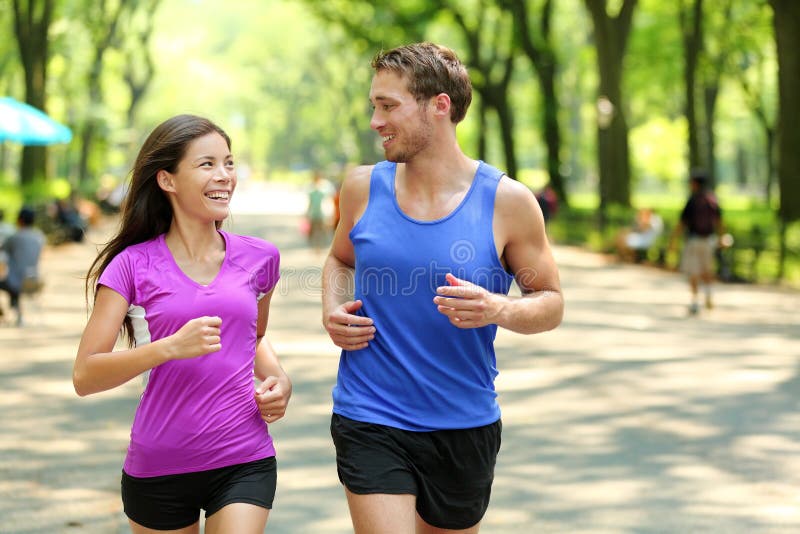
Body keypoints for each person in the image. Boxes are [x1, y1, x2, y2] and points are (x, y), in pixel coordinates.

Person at [322, 43, 564, 533]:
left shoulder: (509, 202)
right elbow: (339, 259)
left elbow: (551, 303)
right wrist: (332, 307)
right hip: (370, 414)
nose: (375, 120)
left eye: (388, 105)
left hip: (464, 423)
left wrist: (499, 308)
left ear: (439, 105)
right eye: (374, 105)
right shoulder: (362, 188)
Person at [73, 114, 291, 533]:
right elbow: (85, 375)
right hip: (160, 466)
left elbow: (254, 337)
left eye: (229, 163)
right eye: (206, 164)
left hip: (244, 456)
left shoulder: (261, 257)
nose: (225, 175)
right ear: (167, 180)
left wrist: (279, 379)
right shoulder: (131, 267)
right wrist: (168, 347)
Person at [669, 169, 724, 315]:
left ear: (694, 183)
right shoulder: (712, 200)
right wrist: (722, 237)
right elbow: (719, 222)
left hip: (693, 241)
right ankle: (709, 295)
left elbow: (682, 223)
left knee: (694, 271)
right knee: (707, 270)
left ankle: (694, 302)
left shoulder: (692, 201)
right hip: (709, 240)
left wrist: (673, 240)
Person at [0, 206, 45, 326]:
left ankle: (11, 311)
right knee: (12, 281)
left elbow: (3, 251)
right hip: (34, 279)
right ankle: (16, 311)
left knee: (9, 281)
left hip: (16, 281)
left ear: (19, 220)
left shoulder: (14, 237)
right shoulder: (40, 236)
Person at [306, 170, 330, 254]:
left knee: (320, 231)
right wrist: (307, 213)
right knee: (314, 231)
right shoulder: (312, 191)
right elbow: (310, 203)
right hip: (314, 213)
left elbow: (326, 203)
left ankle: (318, 247)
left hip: (321, 213)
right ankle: (316, 247)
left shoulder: (323, 190)